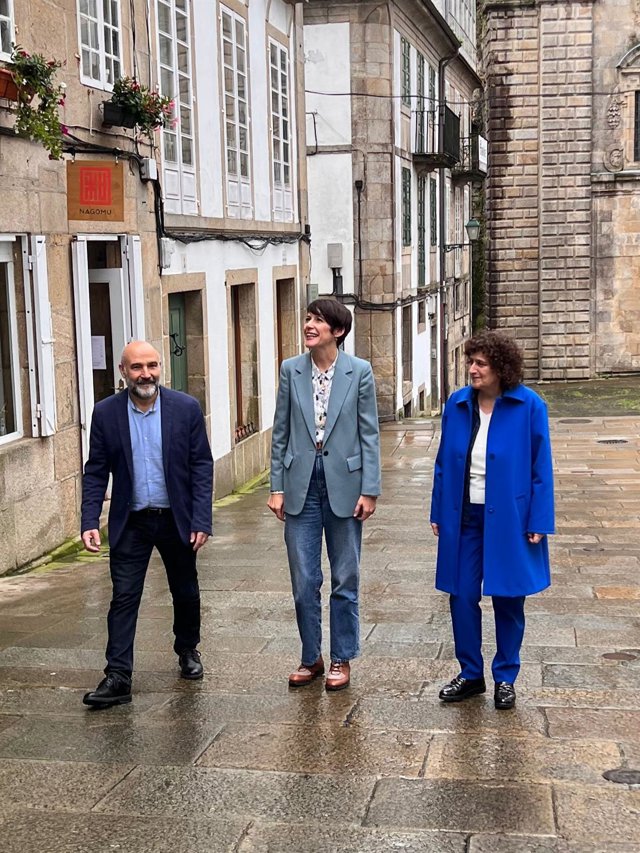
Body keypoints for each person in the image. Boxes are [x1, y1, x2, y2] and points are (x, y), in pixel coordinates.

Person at [81, 340, 213, 708]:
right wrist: (89, 519)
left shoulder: (185, 408)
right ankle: (118, 676)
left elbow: (202, 465)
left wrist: (202, 518)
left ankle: (188, 650)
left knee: (185, 591)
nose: (146, 373)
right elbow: (95, 471)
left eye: (152, 365)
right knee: (124, 597)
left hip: (177, 519)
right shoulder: (106, 413)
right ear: (123, 372)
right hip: (132, 520)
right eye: (137, 367)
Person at [430, 331, 554, 710]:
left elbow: (540, 468)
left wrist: (539, 519)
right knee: (461, 594)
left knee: (508, 597)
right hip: (464, 515)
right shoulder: (457, 404)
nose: (472, 370)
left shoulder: (528, 406)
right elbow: (442, 463)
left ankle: (506, 677)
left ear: (501, 368)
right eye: (471, 362)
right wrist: (438, 510)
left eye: (480, 364)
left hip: (511, 518)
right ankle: (470, 674)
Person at [268, 299, 381, 691]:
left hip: (346, 486)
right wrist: (276, 486)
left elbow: (369, 433)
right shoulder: (290, 370)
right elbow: (279, 432)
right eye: (308, 318)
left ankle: (341, 658)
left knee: (344, 577)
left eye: (318, 320)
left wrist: (370, 489)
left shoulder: (359, 372)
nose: (309, 325)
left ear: (338, 331)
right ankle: (310, 657)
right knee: (303, 581)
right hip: (301, 485)